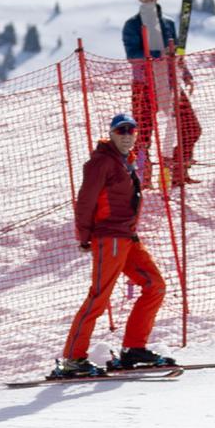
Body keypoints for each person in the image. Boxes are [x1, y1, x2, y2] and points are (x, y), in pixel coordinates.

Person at [53, 114, 175, 379]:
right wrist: (83, 236)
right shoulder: (101, 162)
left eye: (132, 130)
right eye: (121, 131)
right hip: (110, 238)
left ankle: (134, 349)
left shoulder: (125, 162)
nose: (128, 135)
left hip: (127, 237)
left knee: (155, 286)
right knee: (99, 296)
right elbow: (85, 200)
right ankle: (73, 358)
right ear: (111, 134)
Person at [122, 0, 201, 187]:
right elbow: (133, 55)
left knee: (191, 127)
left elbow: (177, 56)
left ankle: (178, 171)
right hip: (145, 86)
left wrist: (185, 74)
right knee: (143, 135)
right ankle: (141, 177)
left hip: (170, 83)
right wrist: (158, 55)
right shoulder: (132, 25)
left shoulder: (168, 24)